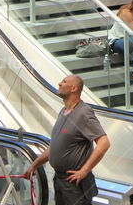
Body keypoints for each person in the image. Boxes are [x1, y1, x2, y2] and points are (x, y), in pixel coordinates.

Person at [22, 75, 110, 204]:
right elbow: (55, 146)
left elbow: (104, 143)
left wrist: (84, 171)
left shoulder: (83, 113)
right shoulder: (63, 111)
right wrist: (34, 165)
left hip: (75, 184)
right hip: (59, 180)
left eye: (64, 82)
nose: (59, 83)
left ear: (74, 88)